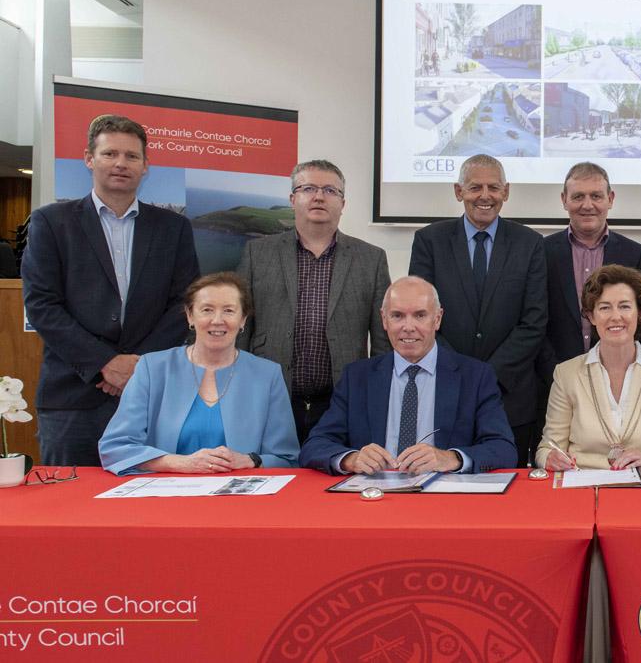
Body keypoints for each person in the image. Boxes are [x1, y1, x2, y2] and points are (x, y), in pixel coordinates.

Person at [22, 114, 200, 466]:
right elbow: (42, 305)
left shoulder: (173, 228)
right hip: (73, 398)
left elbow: (185, 302)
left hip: (150, 394)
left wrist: (136, 366)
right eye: (110, 154)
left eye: (132, 156)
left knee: (149, 508)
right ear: (89, 159)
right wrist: (105, 363)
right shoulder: (51, 222)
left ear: (146, 166)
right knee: (69, 510)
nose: (121, 163)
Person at [237, 160, 390, 444]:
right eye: (309, 188)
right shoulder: (257, 253)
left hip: (342, 400)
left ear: (343, 203)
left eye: (330, 190)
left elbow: (382, 339)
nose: (319, 196)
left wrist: (377, 398)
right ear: (293, 199)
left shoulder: (372, 259)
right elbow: (242, 327)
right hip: (271, 396)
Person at [409, 154, 547, 466]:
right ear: (459, 192)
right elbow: (421, 318)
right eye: (475, 188)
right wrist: (460, 372)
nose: (485, 196)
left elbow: (534, 321)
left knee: (507, 493)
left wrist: (486, 376)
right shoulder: (429, 240)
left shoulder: (530, 243)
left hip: (510, 395)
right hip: (445, 389)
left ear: (506, 192)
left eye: (493, 188)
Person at [300, 277, 517, 475]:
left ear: (437, 319)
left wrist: (451, 458)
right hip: (373, 499)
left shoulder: (475, 376)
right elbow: (315, 445)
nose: (408, 327)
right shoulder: (357, 377)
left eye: (420, 315)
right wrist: (350, 459)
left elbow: (503, 448)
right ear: (384, 320)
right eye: (397, 316)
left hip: (446, 499)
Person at [99, 273, 299, 475]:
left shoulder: (267, 374)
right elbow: (116, 447)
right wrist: (180, 463)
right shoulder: (152, 368)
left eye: (229, 311)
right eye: (207, 310)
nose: (217, 320)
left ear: (243, 320)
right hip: (164, 495)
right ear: (190, 316)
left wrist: (250, 460)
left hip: (241, 498)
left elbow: (286, 458)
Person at [536, 265, 641, 470]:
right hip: (584, 488)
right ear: (591, 316)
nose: (615, 316)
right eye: (605, 307)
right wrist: (549, 458)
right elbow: (546, 449)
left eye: (625, 306)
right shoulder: (566, 374)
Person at [543, 162, 641, 364]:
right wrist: (554, 372)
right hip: (553, 377)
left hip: (618, 377)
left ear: (610, 199)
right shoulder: (541, 252)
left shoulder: (635, 254)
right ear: (564, 200)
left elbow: (640, 324)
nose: (587, 205)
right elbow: (535, 321)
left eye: (596, 196)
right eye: (578, 196)